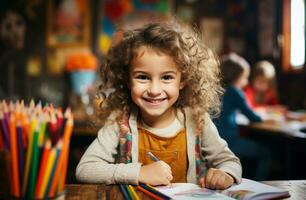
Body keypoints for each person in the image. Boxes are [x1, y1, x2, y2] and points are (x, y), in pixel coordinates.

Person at [76, 21, 242, 190]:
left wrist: (226, 174)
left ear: (183, 80)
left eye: (167, 77)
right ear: (127, 79)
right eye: (143, 77)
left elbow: (230, 162)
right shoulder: (120, 121)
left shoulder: (197, 119)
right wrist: (139, 173)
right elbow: (84, 169)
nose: (154, 90)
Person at [214, 53, 272, 180]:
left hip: (214, 142)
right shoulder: (235, 92)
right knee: (266, 154)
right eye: (244, 78)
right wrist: (267, 116)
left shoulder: (216, 90)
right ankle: (260, 186)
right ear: (236, 77)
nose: (246, 82)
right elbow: (254, 117)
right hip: (229, 142)